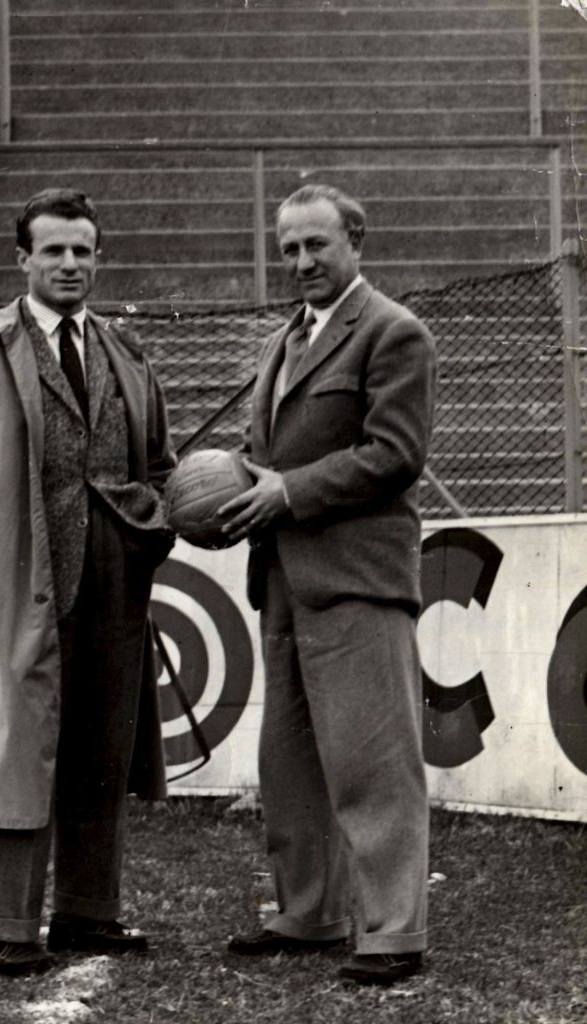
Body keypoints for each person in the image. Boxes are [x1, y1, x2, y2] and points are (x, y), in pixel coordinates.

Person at [0, 188, 176, 976]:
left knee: (102, 745)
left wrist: (164, 515)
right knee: (15, 755)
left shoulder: (126, 354)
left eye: (83, 250)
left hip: (113, 578)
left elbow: (160, 466)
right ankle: (6, 925)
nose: (71, 264)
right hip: (19, 579)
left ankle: (87, 915)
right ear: (21, 258)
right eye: (54, 250)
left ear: (99, 257)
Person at [219, 184, 436, 986]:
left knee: (373, 765)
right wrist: (227, 488)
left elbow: (394, 454)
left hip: (357, 578)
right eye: (289, 250)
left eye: (317, 245)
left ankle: (392, 932)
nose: (303, 262)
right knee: (292, 764)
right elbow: (269, 452)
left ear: (356, 241)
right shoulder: (286, 340)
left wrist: (287, 491)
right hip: (283, 576)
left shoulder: (393, 331)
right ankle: (307, 913)